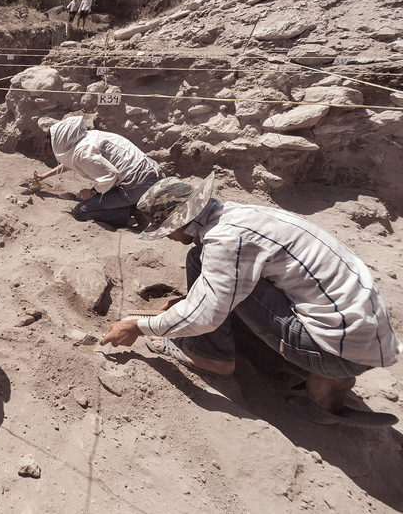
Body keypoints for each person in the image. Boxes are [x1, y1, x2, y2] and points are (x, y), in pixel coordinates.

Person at [100, 173, 402, 427]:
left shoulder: (226, 241)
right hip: (365, 338)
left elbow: (205, 315)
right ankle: (320, 376)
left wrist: (140, 327)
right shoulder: (241, 215)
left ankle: (211, 357)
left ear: (180, 223)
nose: (167, 237)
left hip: (335, 351)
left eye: (165, 231)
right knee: (207, 264)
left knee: (206, 269)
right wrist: (188, 300)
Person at [35, 116, 164, 226]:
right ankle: (132, 205)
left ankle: (133, 210)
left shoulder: (83, 151)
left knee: (81, 211)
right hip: (153, 174)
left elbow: (110, 175)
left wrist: (92, 192)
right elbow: (71, 163)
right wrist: (44, 176)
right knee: (100, 197)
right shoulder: (88, 137)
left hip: (138, 185)